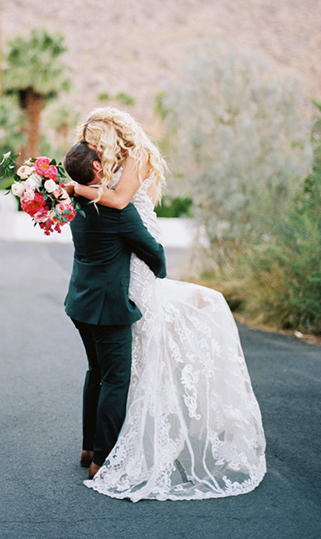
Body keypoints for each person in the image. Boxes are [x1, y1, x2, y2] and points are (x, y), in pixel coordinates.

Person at [71, 107, 266, 502]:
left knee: (118, 355)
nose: (91, 149)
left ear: (109, 138)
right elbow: (121, 215)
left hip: (125, 250)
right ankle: (104, 449)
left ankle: (101, 442)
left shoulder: (134, 156)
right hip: (128, 248)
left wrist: (75, 188)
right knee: (117, 367)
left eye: (94, 143)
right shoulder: (103, 182)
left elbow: (122, 199)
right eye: (88, 145)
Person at [63, 141, 167, 480]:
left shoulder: (74, 202)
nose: (107, 158)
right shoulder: (118, 211)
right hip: (109, 309)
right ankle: (102, 461)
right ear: (96, 169)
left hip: (80, 302)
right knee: (115, 379)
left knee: (96, 371)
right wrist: (159, 270)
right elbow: (154, 253)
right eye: (101, 156)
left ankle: (89, 447)